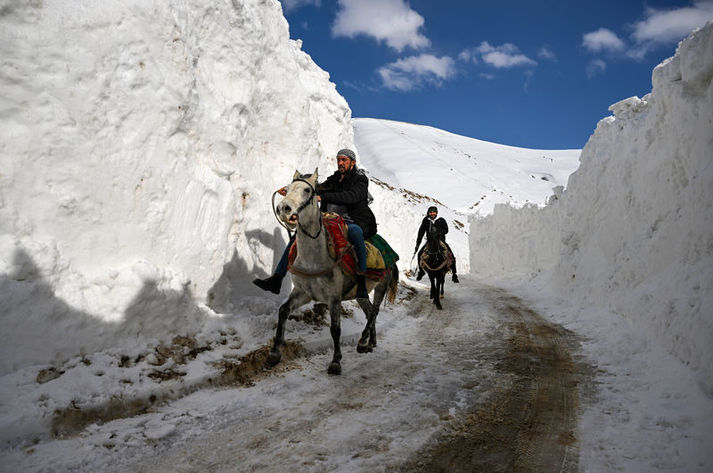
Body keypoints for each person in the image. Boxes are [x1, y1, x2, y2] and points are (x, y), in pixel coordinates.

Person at [253, 148, 377, 298]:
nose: (340, 163)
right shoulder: (335, 178)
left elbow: (351, 196)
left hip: (352, 220)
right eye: (338, 160)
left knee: (356, 233)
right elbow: (316, 189)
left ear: (353, 162)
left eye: (344, 160)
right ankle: (277, 279)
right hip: (330, 219)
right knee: (298, 236)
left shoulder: (360, 179)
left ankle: (361, 281)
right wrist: (291, 190)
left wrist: (322, 197)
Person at [414, 206, 459, 283]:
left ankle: (454, 274)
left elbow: (446, 230)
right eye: (431, 212)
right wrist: (417, 244)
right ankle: (421, 271)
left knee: (451, 255)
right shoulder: (426, 221)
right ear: (428, 213)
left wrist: (439, 232)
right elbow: (420, 233)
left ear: (436, 213)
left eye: (434, 212)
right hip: (430, 242)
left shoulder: (441, 220)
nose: (432, 214)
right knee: (419, 254)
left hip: (440, 241)